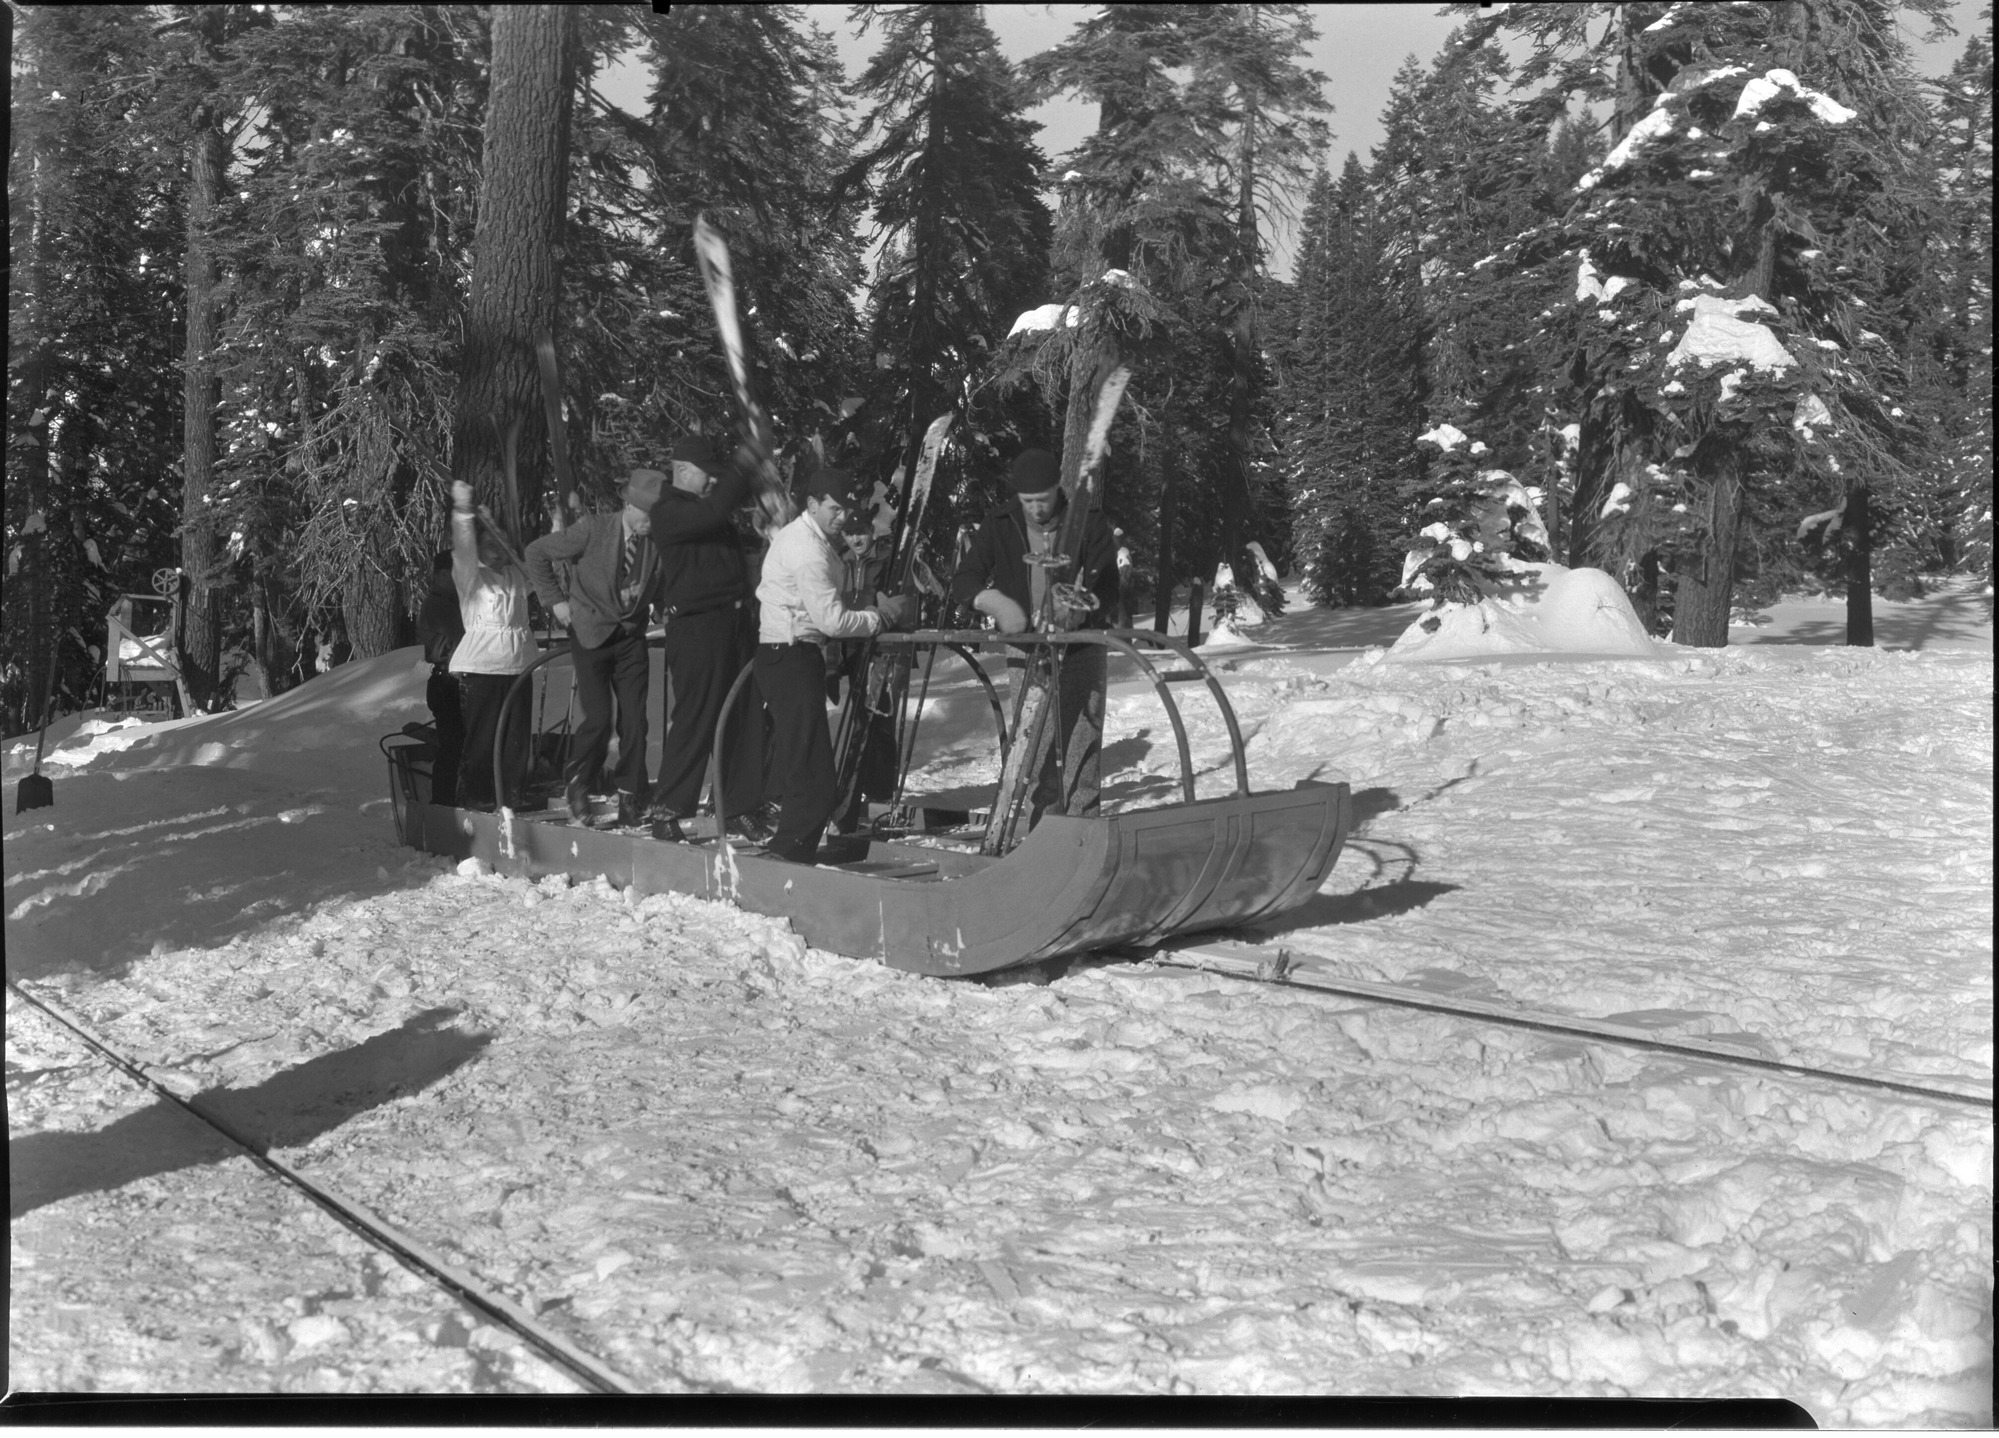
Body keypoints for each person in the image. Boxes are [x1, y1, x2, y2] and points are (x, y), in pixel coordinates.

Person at [753, 464, 917, 863]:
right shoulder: (808, 550)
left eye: (846, 510)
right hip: (791, 654)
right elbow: (832, 620)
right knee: (814, 772)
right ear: (812, 504)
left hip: (790, 654)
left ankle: (794, 850)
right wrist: (877, 619)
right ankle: (788, 851)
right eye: (834, 509)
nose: (841, 518)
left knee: (805, 762)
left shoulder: (812, 539)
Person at [950, 446, 1121, 829]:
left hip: (1082, 645)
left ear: (1056, 489)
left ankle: (1082, 827)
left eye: (1042, 500)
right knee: (1036, 742)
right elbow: (965, 577)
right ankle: (1041, 829)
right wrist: (993, 602)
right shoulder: (1002, 522)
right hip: (1026, 649)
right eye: (1028, 501)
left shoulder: (1087, 522)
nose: (1036, 509)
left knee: (1082, 739)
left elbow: (1109, 587)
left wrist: (1082, 610)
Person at [647, 434, 773, 844]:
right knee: (697, 717)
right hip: (697, 627)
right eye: (708, 475)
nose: (714, 483)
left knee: (744, 716)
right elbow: (717, 510)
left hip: (734, 623)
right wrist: (743, 466)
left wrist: (760, 483)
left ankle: (740, 806)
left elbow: (723, 511)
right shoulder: (669, 511)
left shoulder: (706, 510)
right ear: (682, 470)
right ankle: (668, 807)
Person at [525, 468, 666, 827]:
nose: (655, 521)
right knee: (599, 719)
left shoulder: (658, 540)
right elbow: (537, 552)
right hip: (589, 632)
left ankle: (632, 796)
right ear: (631, 507)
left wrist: (666, 604)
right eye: (650, 513)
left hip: (630, 636)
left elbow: (659, 580)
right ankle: (578, 781)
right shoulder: (594, 529)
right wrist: (555, 601)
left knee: (635, 719)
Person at [448, 481, 536, 812]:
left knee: (515, 743)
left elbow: (546, 569)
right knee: (483, 740)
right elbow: (464, 544)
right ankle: (475, 800)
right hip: (483, 666)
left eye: (502, 544)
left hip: (519, 664)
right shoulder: (471, 576)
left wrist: (559, 527)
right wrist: (463, 512)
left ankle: (511, 799)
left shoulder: (516, 575)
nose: (497, 550)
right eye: (490, 544)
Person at [415, 549, 465, 806]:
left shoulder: (449, 602)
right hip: (447, 683)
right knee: (453, 748)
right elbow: (465, 635)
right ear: (441, 574)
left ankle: (451, 800)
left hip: (451, 681)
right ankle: (443, 805)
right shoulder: (438, 605)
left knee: (457, 745)